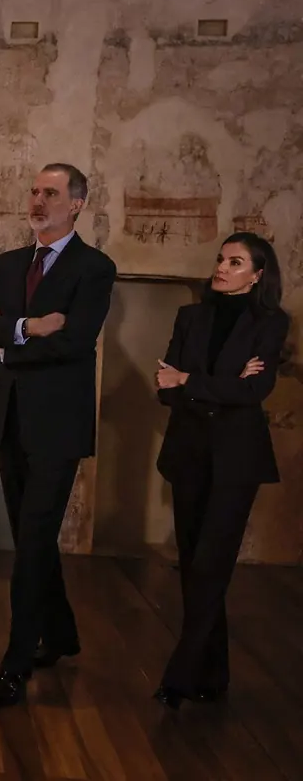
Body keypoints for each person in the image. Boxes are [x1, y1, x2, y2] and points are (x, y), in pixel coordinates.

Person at [0, 162, 117, 708]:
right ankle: (62, 633)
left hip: (57, 427)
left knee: (31, 543)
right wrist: (27, 327)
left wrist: (5, 342)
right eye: (34, 191)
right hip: (10, 419)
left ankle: (16, 661)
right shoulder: (6, 264)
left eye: (51, 193)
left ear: (76, 204)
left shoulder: (94, 268)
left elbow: (75, 342)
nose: (38, 200)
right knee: (32, 537)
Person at [152, 232, 290, 708]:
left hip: (237, 459)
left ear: (257, 275)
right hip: (188, 452)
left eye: (235, 262)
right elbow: (164, 389)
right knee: (194, 564)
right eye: (221, 259)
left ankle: (181, 673)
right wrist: (218, 384)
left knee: (212, 564)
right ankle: (214, 673)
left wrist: (189, 380)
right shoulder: (190, 317)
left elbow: (254, 392)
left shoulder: (271, 322)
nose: (222, 267)